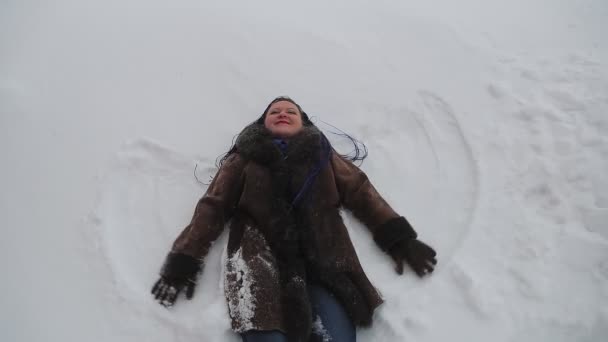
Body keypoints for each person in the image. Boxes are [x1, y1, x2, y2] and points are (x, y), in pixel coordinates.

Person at [151, 96, 437, 342]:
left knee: (336, 336)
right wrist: (185, 259)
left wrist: (398, 237)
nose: (282, 114)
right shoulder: (243, 158)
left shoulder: (322, 154)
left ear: (304, 122)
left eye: (291, 111)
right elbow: (212, 208)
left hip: (325, 258)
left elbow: (361, 192)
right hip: (258, 258)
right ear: (263, 124)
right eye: (274, 112)